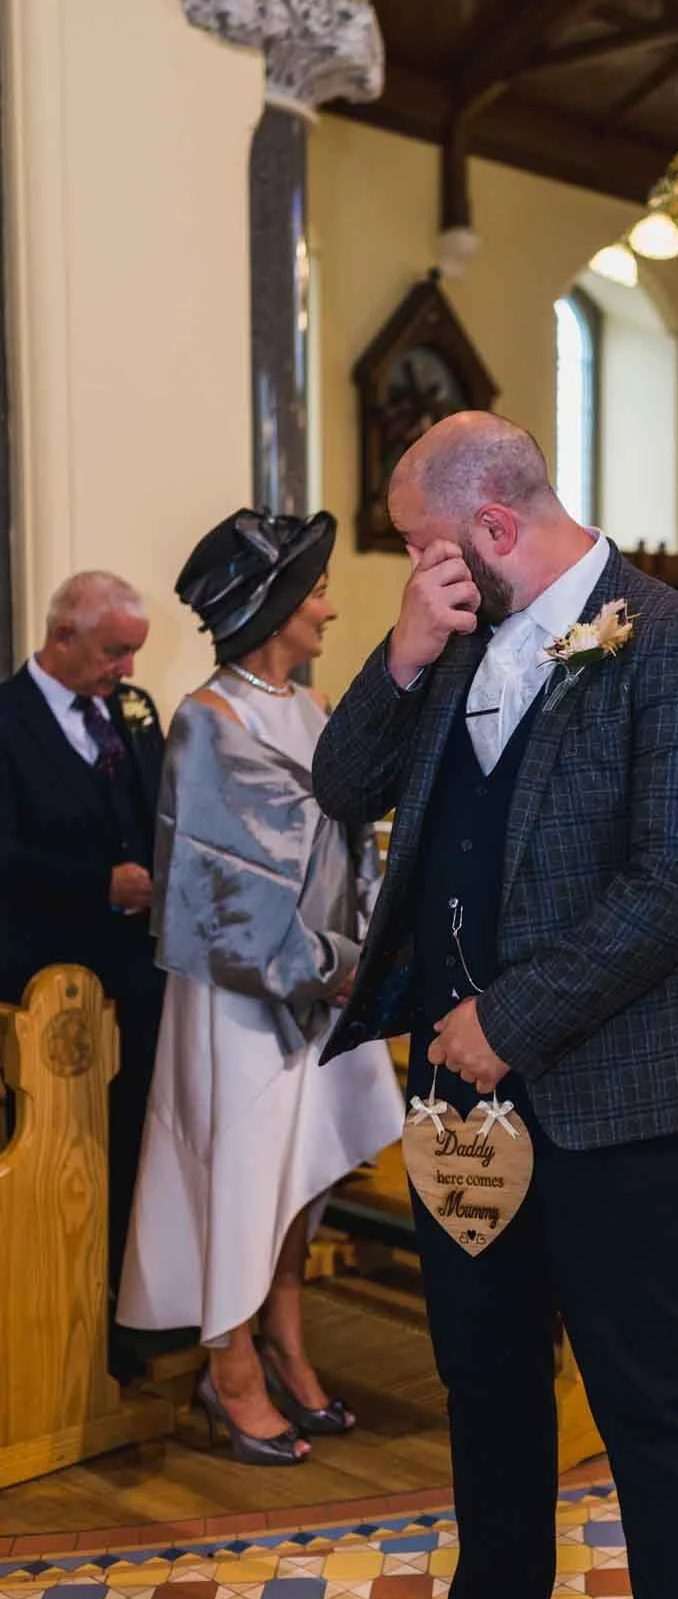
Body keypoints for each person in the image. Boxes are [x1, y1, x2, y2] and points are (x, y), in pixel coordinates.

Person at [313, 412, 678, 1599]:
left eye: (417, 545)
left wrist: (511, 1019)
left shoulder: (675, 639)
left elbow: (675, 879)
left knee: (642, 1401)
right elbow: (341, 784)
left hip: (618, 1093)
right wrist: (398, 653)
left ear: (492, 531)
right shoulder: (452, 637)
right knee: (486, 1387)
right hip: (461, 1108)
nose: (410, 567)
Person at [116, 510, 401, 1465]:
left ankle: (283, 1332)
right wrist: (327, 964)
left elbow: (350, 839)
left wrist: (362, 953)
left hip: (320, 979)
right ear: (276, 609)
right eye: (314, 591)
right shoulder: (208, 721)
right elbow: (210, 892)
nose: (328, 607)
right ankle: (227, 1360)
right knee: (238, 1168)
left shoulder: (314, 713)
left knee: (297, 1174)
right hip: (241, 993)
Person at [0, 572, 165, 1311]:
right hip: (42, 976)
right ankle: (50, 1314)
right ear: (61, 637)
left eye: (132, 654)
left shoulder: (132, 711)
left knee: (128, 1145)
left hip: (134, 979)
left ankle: (120, 1309)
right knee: (56, 1157)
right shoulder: (4, 719)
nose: (126, 670)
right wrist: (98, 883)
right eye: (113, 652)